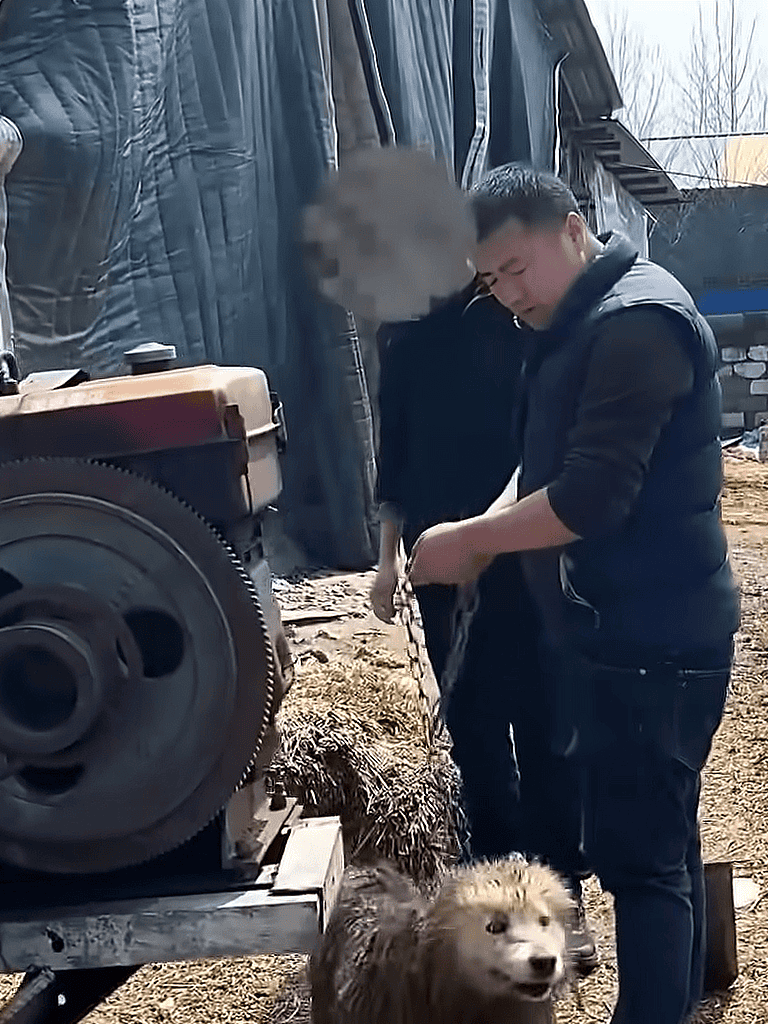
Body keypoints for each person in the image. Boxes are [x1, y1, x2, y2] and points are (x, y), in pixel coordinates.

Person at [408, 164, 740, 1024]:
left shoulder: (636, 324)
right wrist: (485, 526)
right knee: (663, 841)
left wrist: (470, 542)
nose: (509, 294)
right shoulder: (575, 319)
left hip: (652, 639)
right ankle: (681, 996)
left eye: (517, 268)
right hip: (619, 632)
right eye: (490, 280)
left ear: (571, 227)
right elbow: (545, 464)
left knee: (641, 868)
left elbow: (590, 497)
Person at [370, 278, 598, 975]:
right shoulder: (402, 335)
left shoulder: (522, 320)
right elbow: (395, 462)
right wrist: (386, 560)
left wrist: (492, 538)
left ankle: (561, 902)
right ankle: (498, 912)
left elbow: (548, 450)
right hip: (441, 562)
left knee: (547, 728)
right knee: (474, 733)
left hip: (529, 553)